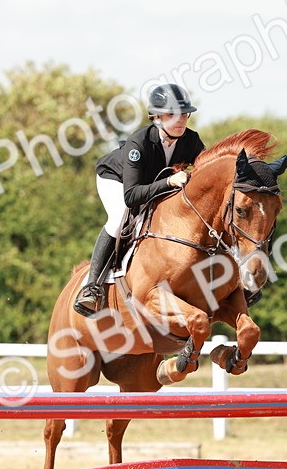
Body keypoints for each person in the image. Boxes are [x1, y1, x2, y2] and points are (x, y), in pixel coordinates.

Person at [74, 83, 207, 317]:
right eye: (172, 114)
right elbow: (132, 195)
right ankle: (91, 287)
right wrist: (168, 183)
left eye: (185, 114)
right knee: (119, 219)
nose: (180, 120)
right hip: (116, 180)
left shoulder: (192, 141)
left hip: (151, 185)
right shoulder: (139, 143)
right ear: (156, 117)